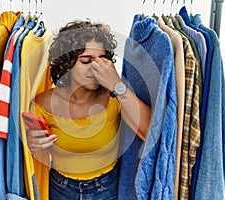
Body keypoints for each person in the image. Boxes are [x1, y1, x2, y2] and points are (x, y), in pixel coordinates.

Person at [26, 20, 151, 200]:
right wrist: (31, 145)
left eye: (102, 61)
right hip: (60, 189)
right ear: (67, 64)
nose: (96, 68)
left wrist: (117, 85)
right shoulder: (43, 104)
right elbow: (29, 156)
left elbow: (149, 130)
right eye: (86, 61)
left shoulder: (114, 97)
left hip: (108, 188)